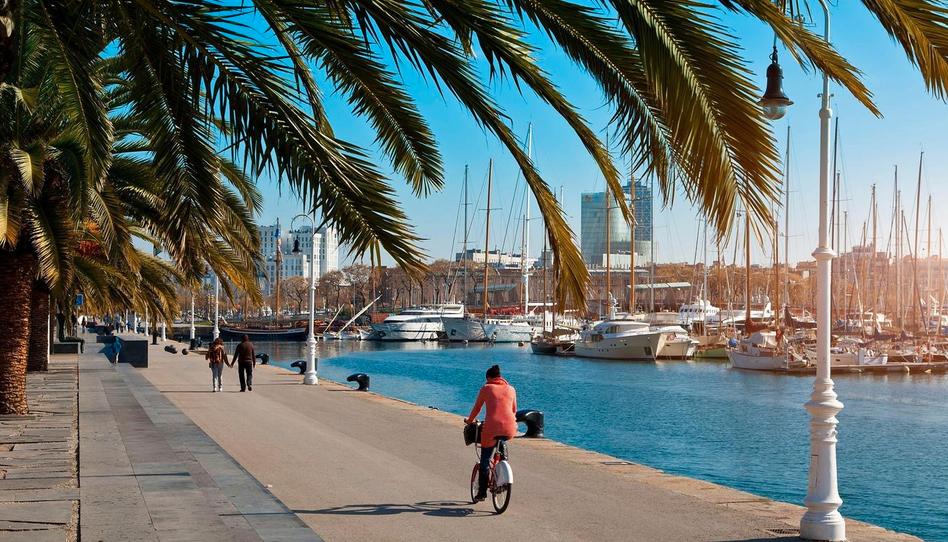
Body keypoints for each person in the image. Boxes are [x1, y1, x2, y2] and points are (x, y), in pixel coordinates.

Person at [465, 364, 517, 502]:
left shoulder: (486, 388)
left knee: (485, 461)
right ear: (500, 377)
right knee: (501, 445)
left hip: (491, 428)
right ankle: (502, 468)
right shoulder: (511, 389)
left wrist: (469, 421)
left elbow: (477, 408)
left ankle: (482, 493)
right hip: (510, 428)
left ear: (489, 378)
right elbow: (513, 410)